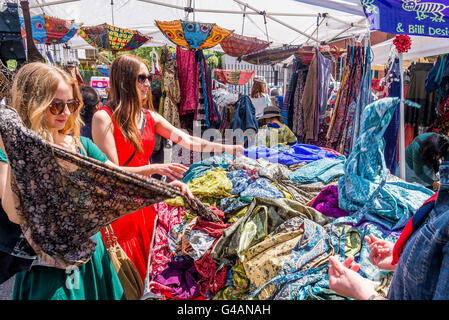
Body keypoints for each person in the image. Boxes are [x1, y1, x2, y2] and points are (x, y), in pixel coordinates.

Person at [0, 62, 193, 300]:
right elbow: (14, 215)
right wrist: (14, 152)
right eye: (56, 106)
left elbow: (117, 178)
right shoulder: (15, 152)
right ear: (34, 105)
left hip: (94, 254)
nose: (66, 113)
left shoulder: (81, 146)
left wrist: (163, 188)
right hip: (51, 271)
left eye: (72, 104)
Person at [91, 54, 244, 283]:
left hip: (146, 203)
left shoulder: (149, 117)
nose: (147, 84)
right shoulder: (103, 118)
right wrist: (157, 169)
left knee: (146, 275)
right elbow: (113, 173)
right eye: (141, 78)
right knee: (123, 275)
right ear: (124, 80)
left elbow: (189, 141)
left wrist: (228, 147)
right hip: (120, 209)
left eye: (149, 78)